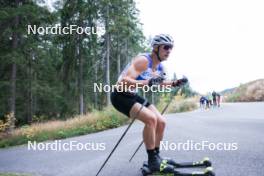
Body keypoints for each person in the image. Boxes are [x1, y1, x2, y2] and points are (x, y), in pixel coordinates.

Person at [110, 34, 187, 172]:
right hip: (119, 95)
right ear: (156, 48)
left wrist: (176, 83)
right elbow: (124, 81)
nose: (169, 51)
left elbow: (162, 83)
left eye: (171, 48)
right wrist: (147, 82)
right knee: (151, 119)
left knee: (161, 122)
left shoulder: (160, 68)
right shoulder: (143, 61)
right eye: (166, 47)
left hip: (132, 95)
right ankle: (152, 161)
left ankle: (156, 157)